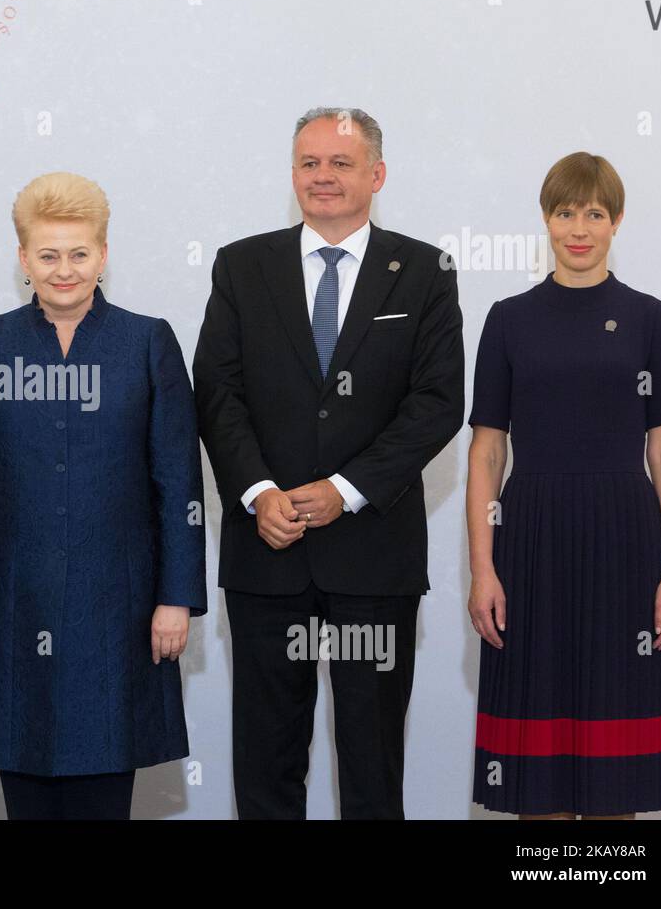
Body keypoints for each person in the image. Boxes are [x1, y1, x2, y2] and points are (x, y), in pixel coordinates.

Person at [193, 107, 465, 819]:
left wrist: (345, 491)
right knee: (266, 763)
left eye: (341, 163)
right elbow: (216, 391)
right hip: (268, 553)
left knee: (373, 769)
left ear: (376, 174)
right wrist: (257, 492)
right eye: (309, 163)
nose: (323, 176)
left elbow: (436, 404)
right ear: (292, 175)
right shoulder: (241, 264)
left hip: (373, 558)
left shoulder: (425, 272)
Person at [0, 172, 206, 820]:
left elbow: (177, 482)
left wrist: (176, 599)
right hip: (9, 612)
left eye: (79, 253)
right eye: (48, 255)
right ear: (23, 259)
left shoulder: (147, 342)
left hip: (121, 615)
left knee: (105, 793)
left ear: (103, 255)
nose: (64, 269)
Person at [467, 152, 661, 819]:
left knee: (616, 779)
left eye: (594, 212)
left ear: (617, 221)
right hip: (529, 543)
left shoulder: (652, 319)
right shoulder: (507, 319)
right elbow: (485, 453)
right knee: (537, 784)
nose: (579, 227)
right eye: (565, 212)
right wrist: (482, 569)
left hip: (627, 545)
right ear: (546, 219)